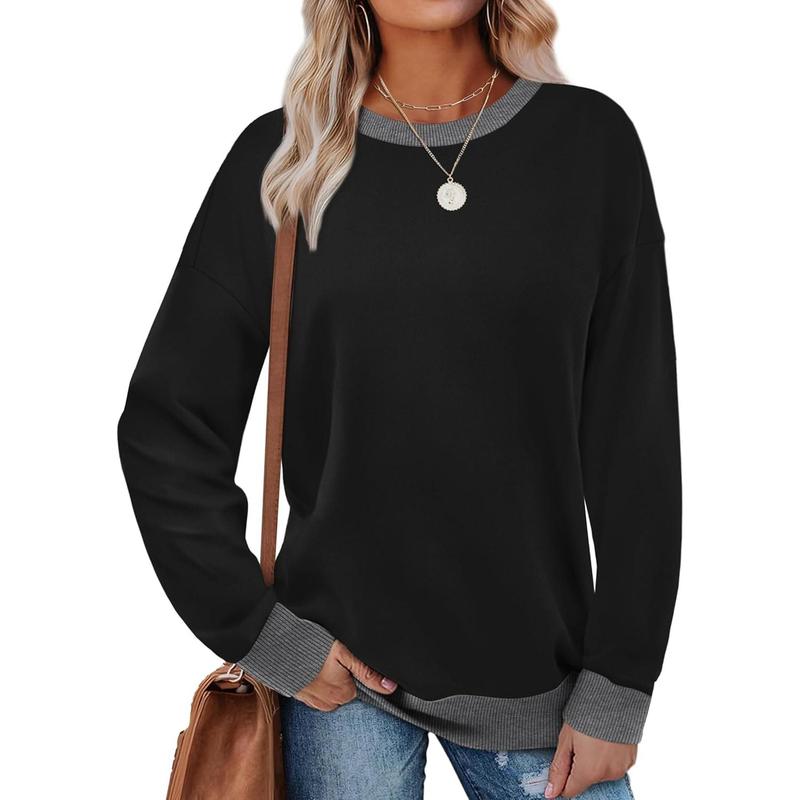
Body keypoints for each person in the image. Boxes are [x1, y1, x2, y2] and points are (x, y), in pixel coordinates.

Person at [117, 1, 682, 797]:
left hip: (543, 686)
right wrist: (261, 634)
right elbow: (166, 425)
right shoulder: (285, 161)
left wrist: (620, 683)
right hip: (341, 685)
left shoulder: (590, 146)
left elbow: (636, 438)